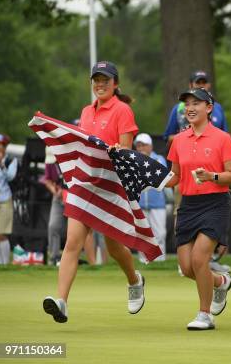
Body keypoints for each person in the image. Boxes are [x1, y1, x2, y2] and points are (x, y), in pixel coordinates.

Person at [43, 61, 145, 323]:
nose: (100, 84)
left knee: (114, 248)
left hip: (111, 185)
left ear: (115, 84)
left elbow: (127, 151)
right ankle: (61, 301)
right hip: (85, 184)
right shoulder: (86, 112)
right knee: (72, 244)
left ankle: (134, 280)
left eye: (105, 80)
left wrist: (114, 151)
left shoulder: (123, 110)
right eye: (96, 80)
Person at [164, 87, 231, 330]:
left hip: (214, 204)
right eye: (187, 103)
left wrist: (210, 176)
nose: (191, 107)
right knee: (186, 268)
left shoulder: (222, 138)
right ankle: (220, 282)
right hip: (188, 205)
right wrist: (155, 182)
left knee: (199, 260)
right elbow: (175, 175)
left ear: (209, 108)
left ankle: (204, 314)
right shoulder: (178, 140)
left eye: (197, 103)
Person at [164, 70, 228, 144]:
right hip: (186, 151)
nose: (201, 86)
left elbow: (225, 135)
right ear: (190, 85)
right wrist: (188, 135)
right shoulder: (179, 108)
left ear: (209, 85)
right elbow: (168, 138)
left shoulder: (217, 107)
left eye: (204, 82)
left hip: (213, 151)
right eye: (198, 83)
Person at [134, 133, 169, 262]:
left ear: (150, 146)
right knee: (142, 233)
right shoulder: (134, 159)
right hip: (140, 204)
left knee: (160, 232)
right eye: (138, 145)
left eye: (143, 145)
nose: (141, 147)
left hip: (158, 203)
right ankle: (144, 260)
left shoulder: (159, 159)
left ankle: (160, 259)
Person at [0, 133, 17, 264]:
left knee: (2, 234)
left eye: (1, 145)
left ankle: (4, 264)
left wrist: (1, 164)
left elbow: (10, 177)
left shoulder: (11, 161)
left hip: (5, 199)